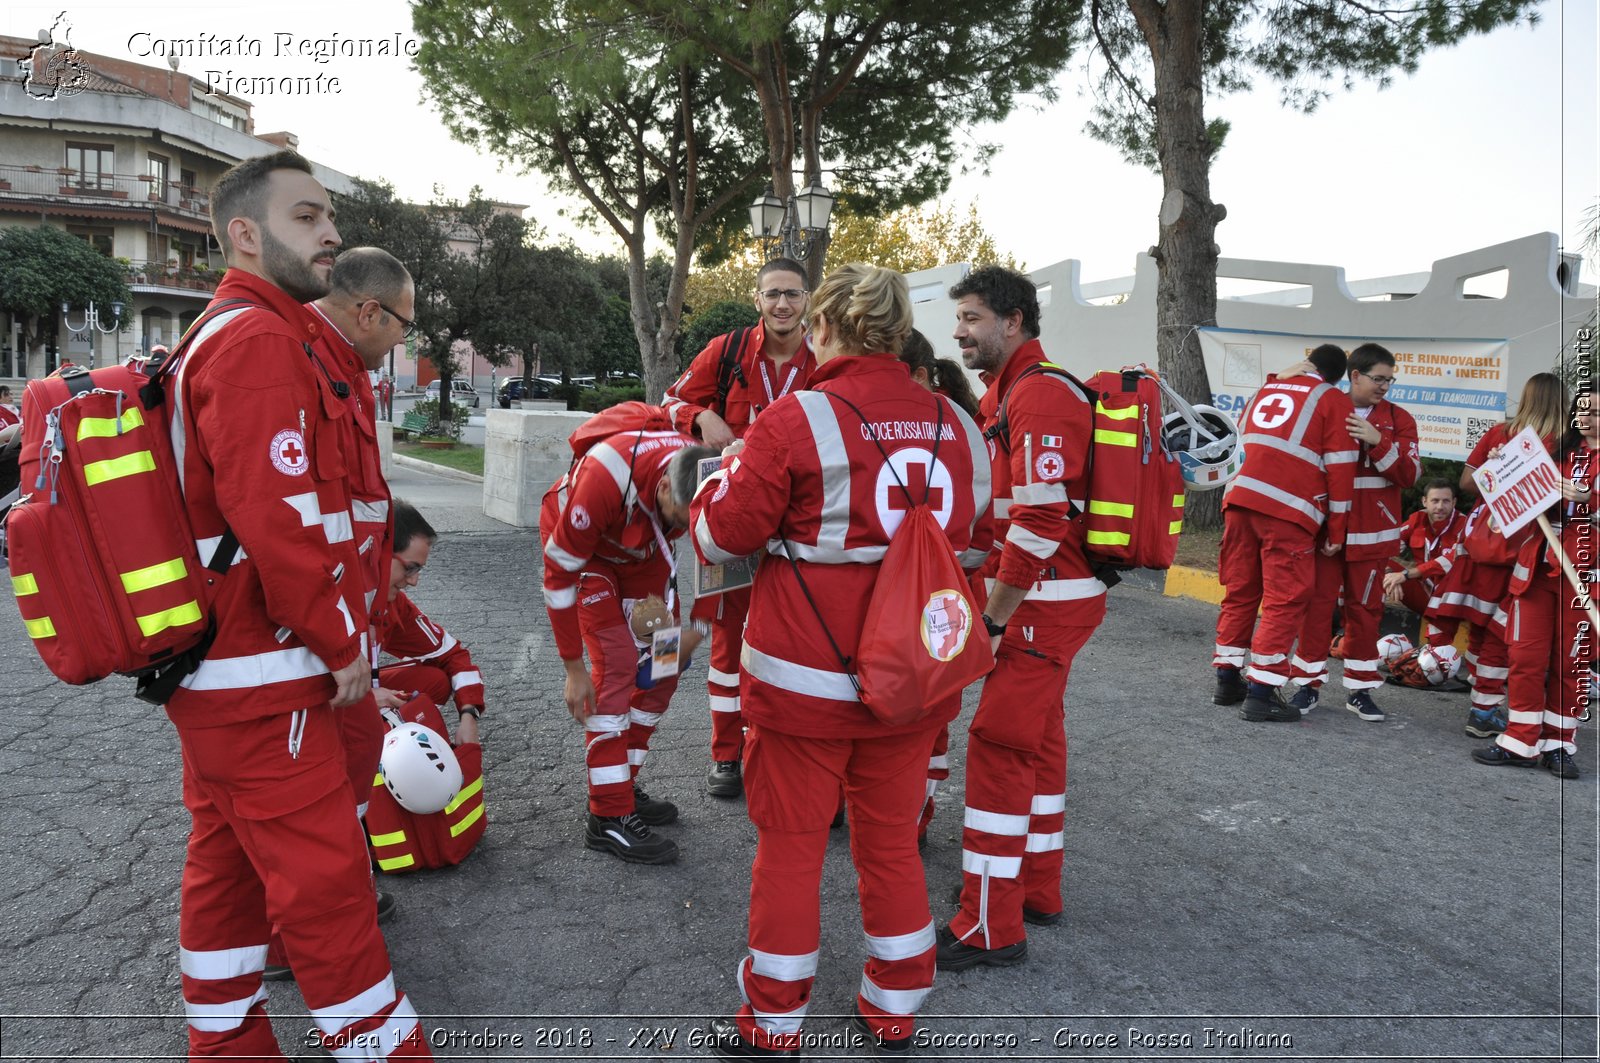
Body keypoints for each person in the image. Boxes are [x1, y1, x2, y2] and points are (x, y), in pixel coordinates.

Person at [164, 151, 429, 1059]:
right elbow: (281, 519)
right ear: (246, 233)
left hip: (224, 672)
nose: (331, 234)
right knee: (326, 891)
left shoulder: (242, 330)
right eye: (309, 217)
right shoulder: (258, 339)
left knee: (228, 870)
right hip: (262, 670)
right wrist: (337, 638)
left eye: (329, 218)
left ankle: (225, 1041)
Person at [690, 263, 990, 1057]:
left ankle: (773, 1024)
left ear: (823, 327)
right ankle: (893, 1007)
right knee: (890, 845)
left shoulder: (797, 419)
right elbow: (976, 544)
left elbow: (721, 535)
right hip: (913, 681)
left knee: (789, 849)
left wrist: (709, 486)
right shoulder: (959, 425)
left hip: (803, 684)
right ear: (898, 332)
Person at [934, 265, 1100, 973]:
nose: (960, 331)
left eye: (971, 318)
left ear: (1013, 320)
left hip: (1042, 602)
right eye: (960, 319)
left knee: (1000, 746)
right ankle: (1035, 886)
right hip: (1053, 596)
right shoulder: (1013, 391)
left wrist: (996, 618)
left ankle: (989, 924)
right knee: (1040, 743)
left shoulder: (1036, 395)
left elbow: (1038, 520)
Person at [663, 258, 819, 798]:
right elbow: (669, 401)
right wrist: (699, 418)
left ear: (808, 300)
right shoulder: (726, 350)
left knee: (799, 635)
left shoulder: (824, 357)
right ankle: (727, 753)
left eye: (792, 295)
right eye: (773, 294)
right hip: (730, 519)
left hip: (802, 521)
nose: (782, 304)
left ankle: (776, 748)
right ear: (757, 299)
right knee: (727, 639)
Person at [540, 426, 714, 863]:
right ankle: (608, 816)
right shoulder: (604, 480)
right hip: (590, 552)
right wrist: (573, 669)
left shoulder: (715, 476)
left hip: (643, 547)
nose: (685, 529)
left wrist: (702, 625)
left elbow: (727, 554)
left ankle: (620, 781)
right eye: (680, 518)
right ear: (662, 486)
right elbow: (558, 579)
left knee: (664, 669)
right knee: (617, 664)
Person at [1212, 344, 1357, 722]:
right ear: (1338, 376)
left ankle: (1227, 679)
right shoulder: (1332, 399)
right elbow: (1340, 468)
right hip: (1287, 509)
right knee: (1285, 598)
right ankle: (1262, 691)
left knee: (1241, 590)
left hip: (1239, 498)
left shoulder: (1270, 387)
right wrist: (1337, 529)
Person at [1288, 343, 1420, 720]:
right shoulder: (1327, 406)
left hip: (1373, 536)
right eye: (1378, 379)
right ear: (1355, 375)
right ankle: (1306, 685)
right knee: (1316, 608)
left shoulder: (1399, 419)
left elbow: (1411, 475)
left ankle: (1360, 690)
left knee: (1365, 612)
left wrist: (1379, 442)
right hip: (1327, 532)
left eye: (1389, 380)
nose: (1384, 387)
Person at [1473, 390, 1594, 777]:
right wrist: (1502, 469)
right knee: (1525, 657)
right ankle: (1520, 740)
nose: (1588, 419)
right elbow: (1512, 498)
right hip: (1538, 572)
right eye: (1584, 411)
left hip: (1586, 579)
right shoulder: (1554, 449)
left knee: (1571, 664)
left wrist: (1591, 502)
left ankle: (1559, 744)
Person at [898, 329, 983, 848]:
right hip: (945, 596)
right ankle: (915, 816)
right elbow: (983, 537)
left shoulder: (849, 421)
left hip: (902, 597)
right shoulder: (964, 431)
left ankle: (904, 815)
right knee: (931, 711)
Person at [1384, 479, 1464, 617]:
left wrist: (1405, 575)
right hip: (1425, 592)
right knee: (1376, 570)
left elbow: (1451, 561)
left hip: (1451, 599)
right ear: (1424, 501)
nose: (1440, 506)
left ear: (1454, 503)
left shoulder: (1464, 525)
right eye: (1435, 501)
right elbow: (1385, 548)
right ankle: (1367, 630)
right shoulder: (1417, 519)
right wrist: (1389, 574)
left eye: (1445, 501)